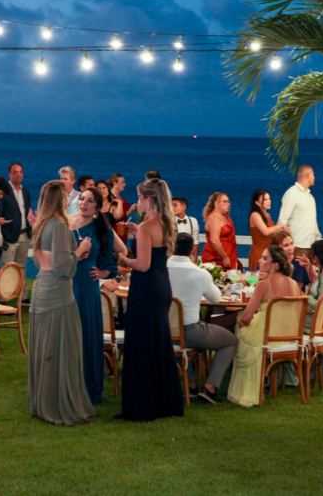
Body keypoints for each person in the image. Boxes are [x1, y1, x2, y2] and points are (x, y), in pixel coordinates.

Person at [27, 180, 96, 425]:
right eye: (67, 197)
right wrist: (80, 249)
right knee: (59, 347)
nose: (71, 200)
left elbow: (41, 262)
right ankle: (57, 403)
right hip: (57, 292)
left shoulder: (42, 225)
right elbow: (63, 268)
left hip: (42, 287)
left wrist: (72, 253)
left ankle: (43, 399)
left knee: (47, 347)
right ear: (61, 200)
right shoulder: (57, 226)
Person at [116, 178, 183, 421]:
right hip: (162, 285)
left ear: (149, 199)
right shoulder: (167, 223)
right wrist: (138, 234)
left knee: (142, 344)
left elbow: (142, 265)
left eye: (139, 197)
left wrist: (123, 258)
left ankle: (142, 405)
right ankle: (164, 401)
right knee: (159, 343)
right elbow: (155, 256)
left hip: (145, 289)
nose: (137, 202)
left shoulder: (146, 226)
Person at [168, 233, 237, 404]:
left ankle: (191, 384)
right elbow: (215, 299)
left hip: (162, 330)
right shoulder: (200, 274)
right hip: (191, 331)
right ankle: (210, 387)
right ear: (192, 251)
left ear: (171, 247)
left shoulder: (159, 269)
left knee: (178, 337)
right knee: (231, 341)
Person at [227, 246, 300, 407]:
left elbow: (247, 316)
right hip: (289, 335)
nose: (260, 261)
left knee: (239, 324)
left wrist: (241, 323)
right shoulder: (294, 284)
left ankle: (243, 387)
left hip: (265, 336)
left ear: (275, 265)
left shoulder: (264, 285)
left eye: (265, 258)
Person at [69, 187, 119, 405]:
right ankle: (65, 385)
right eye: (82, 199)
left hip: (87, 288)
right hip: (64, 283)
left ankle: (88, 387)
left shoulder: (103, 230)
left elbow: (112, 261)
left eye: (90, 201)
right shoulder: (67, 223)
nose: (84, 203)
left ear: (98, 207)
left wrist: (103, 272)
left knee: (86, 333)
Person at [278, 165, 321, 259]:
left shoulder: (310, 197)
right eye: (313, 175)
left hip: (310, 246)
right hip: (296, 246)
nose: (314, 177)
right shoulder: (292, 194)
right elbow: (282, 220)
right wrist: (286, 245)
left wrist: (318, 239)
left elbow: (312, 221)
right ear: (308, 175)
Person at [0, 163, 33, 274]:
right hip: (9, 237)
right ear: (9, 174)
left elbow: (26, 213)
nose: (18, 174)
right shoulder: (3, 192)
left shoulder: (26, 193)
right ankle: (6, 291)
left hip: (24, 236)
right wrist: (1, 237)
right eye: (15, 172)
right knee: (7, 268)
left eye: (20, 172)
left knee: (21, 267)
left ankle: (20, 291)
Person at [248, 190, 288, 270]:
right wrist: (281, 225)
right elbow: (266, 232)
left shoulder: (267, 215)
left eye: (269, 199)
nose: (268, 201)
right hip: (259, 252)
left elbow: (272, 232)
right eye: (265, 199)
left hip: (268, 251)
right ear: (257, 202)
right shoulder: (255, 215)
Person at [201, 192, 240, 270]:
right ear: (216, 204)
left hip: (229, 254)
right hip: (216, 257)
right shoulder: (214, 218)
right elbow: (214, 240)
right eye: (224, 201)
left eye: (228, 201)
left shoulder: (225, 216)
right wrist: (225, 257)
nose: (228, 204)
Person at [172, 196, 199, 262]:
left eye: (175, 205)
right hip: (172, 258)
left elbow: (195, 242)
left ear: (184, 207)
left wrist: (195, 261)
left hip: (187, 259)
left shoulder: (193, 221)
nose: (172, 208)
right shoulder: (168, 221)